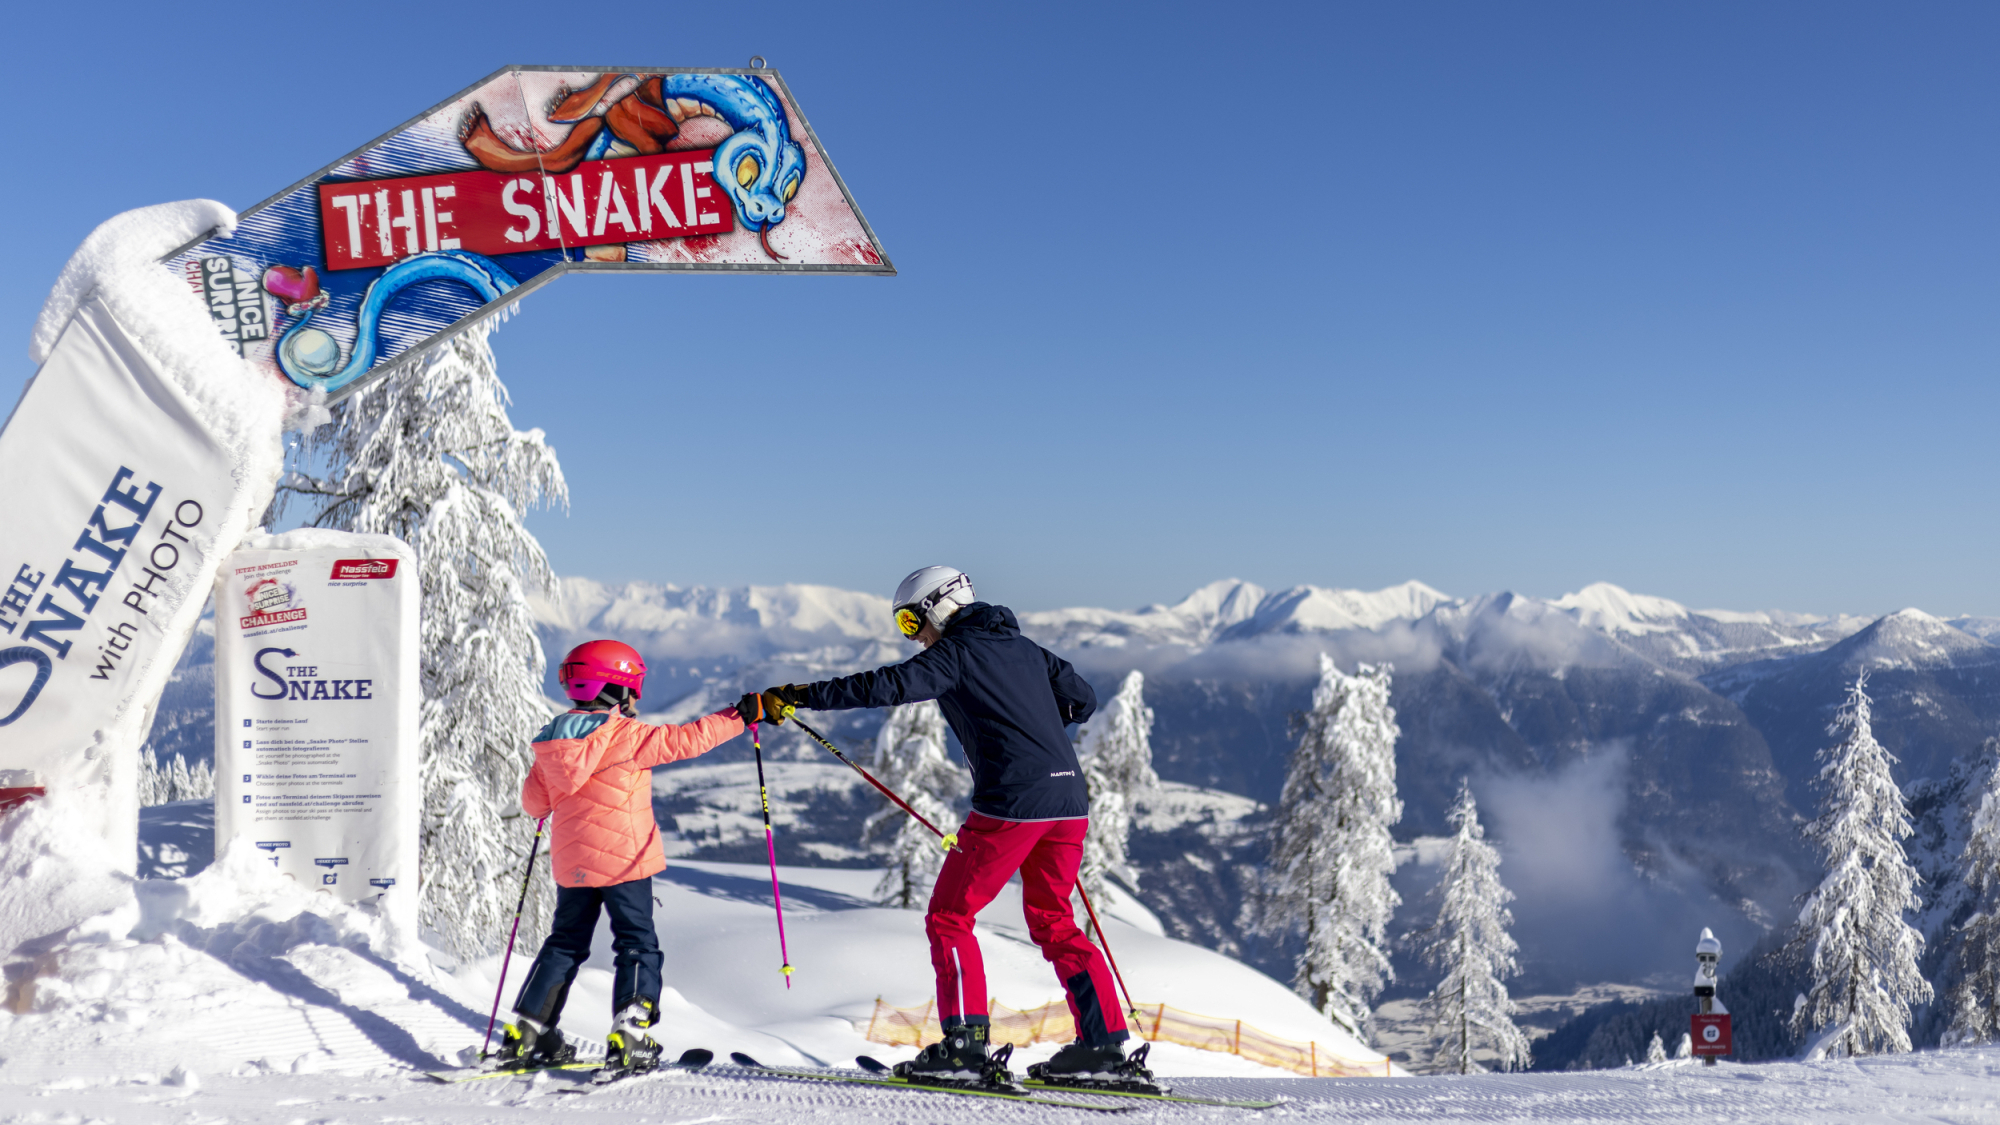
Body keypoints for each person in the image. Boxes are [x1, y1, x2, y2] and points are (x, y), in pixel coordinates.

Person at [752, 566, 1147, 1085]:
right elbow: (1083, 701)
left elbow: (887, 685)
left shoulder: (957, 654)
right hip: (1069, 802)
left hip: (1011, 803)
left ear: (939, 607)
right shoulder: (1027, 650)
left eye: (912, 621)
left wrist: (799, 694)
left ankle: (964, 1046)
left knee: (949, 916)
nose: (916, 636)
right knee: (1055, 923)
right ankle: (1104, 1047)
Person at [496, 639, 755, 1071]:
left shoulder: (551, 740)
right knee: (636, 943)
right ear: (616, 688)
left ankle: (528, 1032)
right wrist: (742, 715)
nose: (636, 697)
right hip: (626, 862)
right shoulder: (629, 735)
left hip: (573, 864)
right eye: (633, 688)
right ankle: (630, 1035)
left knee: (564, 943)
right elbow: (690, 739)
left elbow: (534, 805)